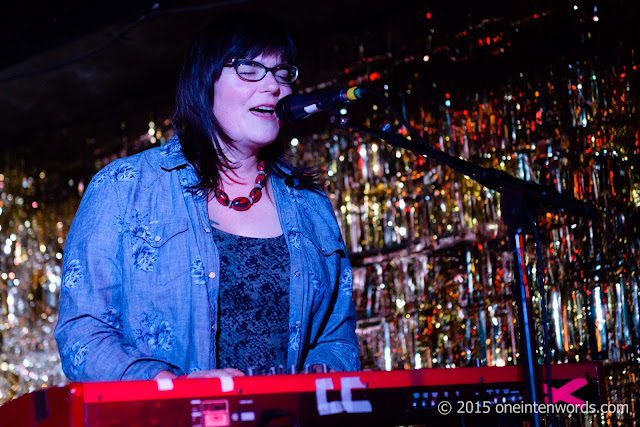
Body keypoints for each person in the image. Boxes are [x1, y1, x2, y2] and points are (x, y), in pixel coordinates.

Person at [54, 13, 360, 381]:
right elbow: (81, 334)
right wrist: (168, 387)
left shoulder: (309, 205)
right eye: (250, 69)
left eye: (281, 73)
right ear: (205, 82)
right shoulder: (125, 187)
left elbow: (337, 339)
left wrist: (320, 373)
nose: (272, 86)